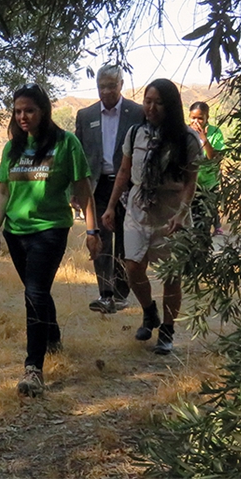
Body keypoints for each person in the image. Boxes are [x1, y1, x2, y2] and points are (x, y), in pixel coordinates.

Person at [0, 83, 101, 397]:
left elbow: (83, 190)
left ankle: (33, 369)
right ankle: (52, 337)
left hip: (50, 229)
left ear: (43, 111)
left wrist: (92, 232)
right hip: (16, 232)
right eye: (17, 111)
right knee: (35, 291)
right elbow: (3, 191)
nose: (22, 117)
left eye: (29, 110)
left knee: (34, 292)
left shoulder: (66, 143)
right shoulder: (13, 147)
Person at [101, 79, 202, 355]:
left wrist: (182, 213)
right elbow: (124, 172)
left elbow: (191, 181)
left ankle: (167, 330)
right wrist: (110, 207)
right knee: (132, 266)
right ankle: (149, 312)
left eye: (158, 103)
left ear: (171, 106)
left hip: (171, 211)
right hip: (138, 207)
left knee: (172, 276)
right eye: (147, 101)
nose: (151, 108)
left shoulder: (186, 139)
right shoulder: (135, 133)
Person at [75, 64, 145, 314]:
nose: (106, 91)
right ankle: (105, 294)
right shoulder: (86, 115)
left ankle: (121, 293)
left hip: (128, 185)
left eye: (111, 86)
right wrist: (75, 192)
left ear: (121, 85)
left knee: (126, 239)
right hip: (98, 185)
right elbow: (78, 155)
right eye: (101, 87)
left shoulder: (137, 113)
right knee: (100, 239)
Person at [188, 101, 226, 236]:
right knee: (190, 222)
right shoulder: (185, 132)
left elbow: (214, 158)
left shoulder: (215, 133)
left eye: (200, 118)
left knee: (204, 222)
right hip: (190, 184)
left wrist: (204, 140)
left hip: (208, 185)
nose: (196, 121)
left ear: (206, 118)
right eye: (193, 118)